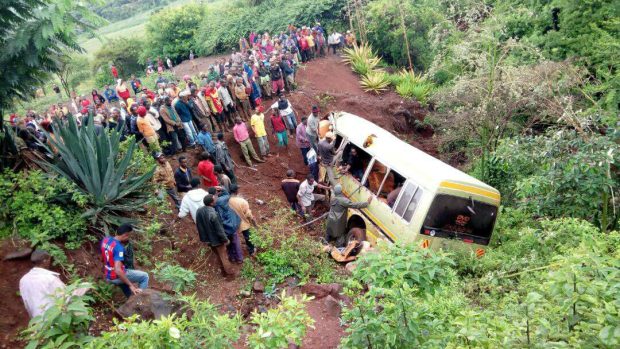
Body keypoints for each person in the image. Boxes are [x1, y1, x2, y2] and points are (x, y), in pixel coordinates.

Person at [19, 250, 89, 318]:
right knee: (80, 310)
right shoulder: (50, 279)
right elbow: (66, 298)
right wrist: (84, 287)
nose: (50, 262)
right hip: (55, 321)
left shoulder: (23, 280)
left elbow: (27, 305)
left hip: (39, 323)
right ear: (45, 261)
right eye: (49, 259)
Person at [100, 224, 149, 297]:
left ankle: (130, 297)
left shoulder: (105, 240)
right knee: (145, 276)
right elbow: (118, 270)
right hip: (116, 276)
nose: (128, 238)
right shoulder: (119, 248)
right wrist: (131, 285)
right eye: (129, 236)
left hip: (108, 275)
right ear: (125, 235)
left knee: (125, 284)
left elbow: (102, 258)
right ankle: (141, 299)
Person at [195, 195, 236, 278]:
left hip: (207, 239)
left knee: (218, 255)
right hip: (216, 240)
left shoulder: (199, 211)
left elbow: (199, 225)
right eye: (214, 199)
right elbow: (219, 230)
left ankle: (223, 272)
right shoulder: (213, 214)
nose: (216, 200)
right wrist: (225, 240)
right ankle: (230, 275)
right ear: (211, 203)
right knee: (223, 256)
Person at [209, 186, 243, 264]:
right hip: (231, 224)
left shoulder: (211, 204)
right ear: (216, 193)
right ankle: (239, 258)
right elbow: (228, 195)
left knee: (228, 243)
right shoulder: (222, 200)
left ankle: (232, 258)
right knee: (236, 242)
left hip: (223, 227)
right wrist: (223, 189)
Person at [228, 184, 257, 256]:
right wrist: (254, 223)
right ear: (236, 191)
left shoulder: (227, 201)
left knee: (234, 239)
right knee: (248, 237)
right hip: (243, 223)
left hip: (232, 224)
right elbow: (248, 214)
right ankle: (252, 251)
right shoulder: (242, 201)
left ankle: (234, 253)